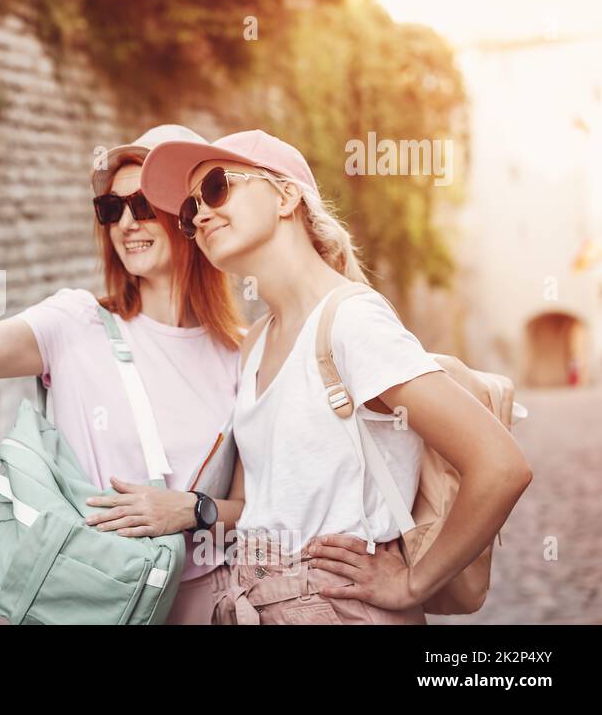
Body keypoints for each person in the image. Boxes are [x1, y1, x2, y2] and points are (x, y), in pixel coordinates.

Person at [0, 125, 246, 624]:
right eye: (110, 210)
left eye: (142, 204)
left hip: (199, 607)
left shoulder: (242, 356)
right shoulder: (75, 322)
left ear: (185, 214)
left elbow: (254, 509)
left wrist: (191, 508)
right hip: (89, 603)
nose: (125, 223)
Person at [139, 129, 532, 624]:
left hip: (335, 609)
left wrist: (414, 581)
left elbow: (500, 466)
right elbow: (251, 504)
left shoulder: (352, 323)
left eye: (216, 187)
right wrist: (189, 509)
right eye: (189, 209)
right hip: (253, 605)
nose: (198, 214)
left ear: (285, 196)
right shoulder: (255, 344)